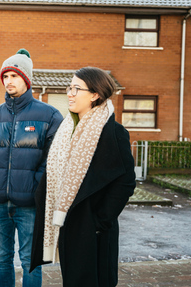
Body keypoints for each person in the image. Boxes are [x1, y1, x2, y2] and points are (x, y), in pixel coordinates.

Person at [30, 67, 136, 287]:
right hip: (69, 226)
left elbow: (125, 182)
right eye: (70, 87)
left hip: (93, 228)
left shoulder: (113, 132)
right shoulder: (66, 129)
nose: (70, 93)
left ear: (95, 95)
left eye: (76, 88)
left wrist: (100, 221)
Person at [0, 49, 63, 287]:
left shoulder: (50, 115)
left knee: (29, 260)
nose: (8, 81)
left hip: (30, 205)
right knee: (1, 257)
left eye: (14, 75)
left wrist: (36, 186)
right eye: (5, 76)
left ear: (27, 79)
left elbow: (55, 158)